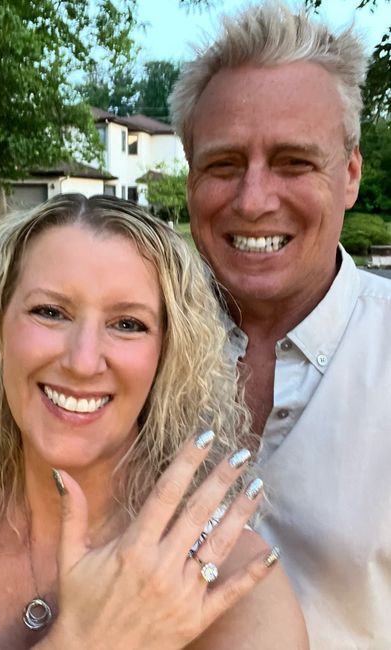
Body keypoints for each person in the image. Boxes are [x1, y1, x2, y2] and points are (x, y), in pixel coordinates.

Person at [0, 194, 308, 649]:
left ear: (166, 355)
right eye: (50, 312)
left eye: (127, 324)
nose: (82, 361)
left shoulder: (235, 581)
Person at [169, 2, 391, 648]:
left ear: (349, 175)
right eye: (223, 164)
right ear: (191, 178)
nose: (253, 200)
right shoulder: (126, 347)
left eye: (294, 162)